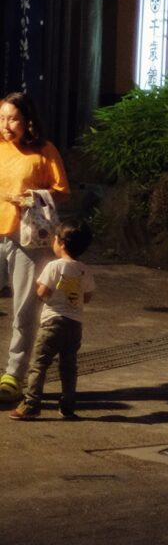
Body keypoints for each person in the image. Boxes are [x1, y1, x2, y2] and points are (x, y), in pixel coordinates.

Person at [0, 92, 68, 404]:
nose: (5, 125)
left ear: (28, 121)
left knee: (24, 310)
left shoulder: (44, 151)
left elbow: (61, 191)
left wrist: (31, 197)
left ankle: (13, 375)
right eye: (2, 118)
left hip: (27, 241)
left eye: (12, 118)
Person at [11, 219, 93, 422]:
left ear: (61, 243)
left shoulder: (53, 266)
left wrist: (40, 290)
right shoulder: (84, 269)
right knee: (69, 366)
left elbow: (43, 293)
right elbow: (87, 297)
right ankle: (67, 406)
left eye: (55, 239)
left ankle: (31, 405)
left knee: (39, 365)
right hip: (74, 324)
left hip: (52, 323)